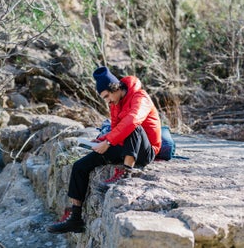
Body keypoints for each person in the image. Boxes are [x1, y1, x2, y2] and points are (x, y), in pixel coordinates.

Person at [47, 66, 162, 234]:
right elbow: (115, 129)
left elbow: (132, 121)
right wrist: (99, 141)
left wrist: (108, 141)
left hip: (145, 151)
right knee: (80, 166)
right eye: (104, 98)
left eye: (107, 96)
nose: (107, 101)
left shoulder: (140, 96)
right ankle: (76, 218)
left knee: (132, 126)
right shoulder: (115, 104)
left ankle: (126, 171)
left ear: (116, 88)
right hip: (125, 147)